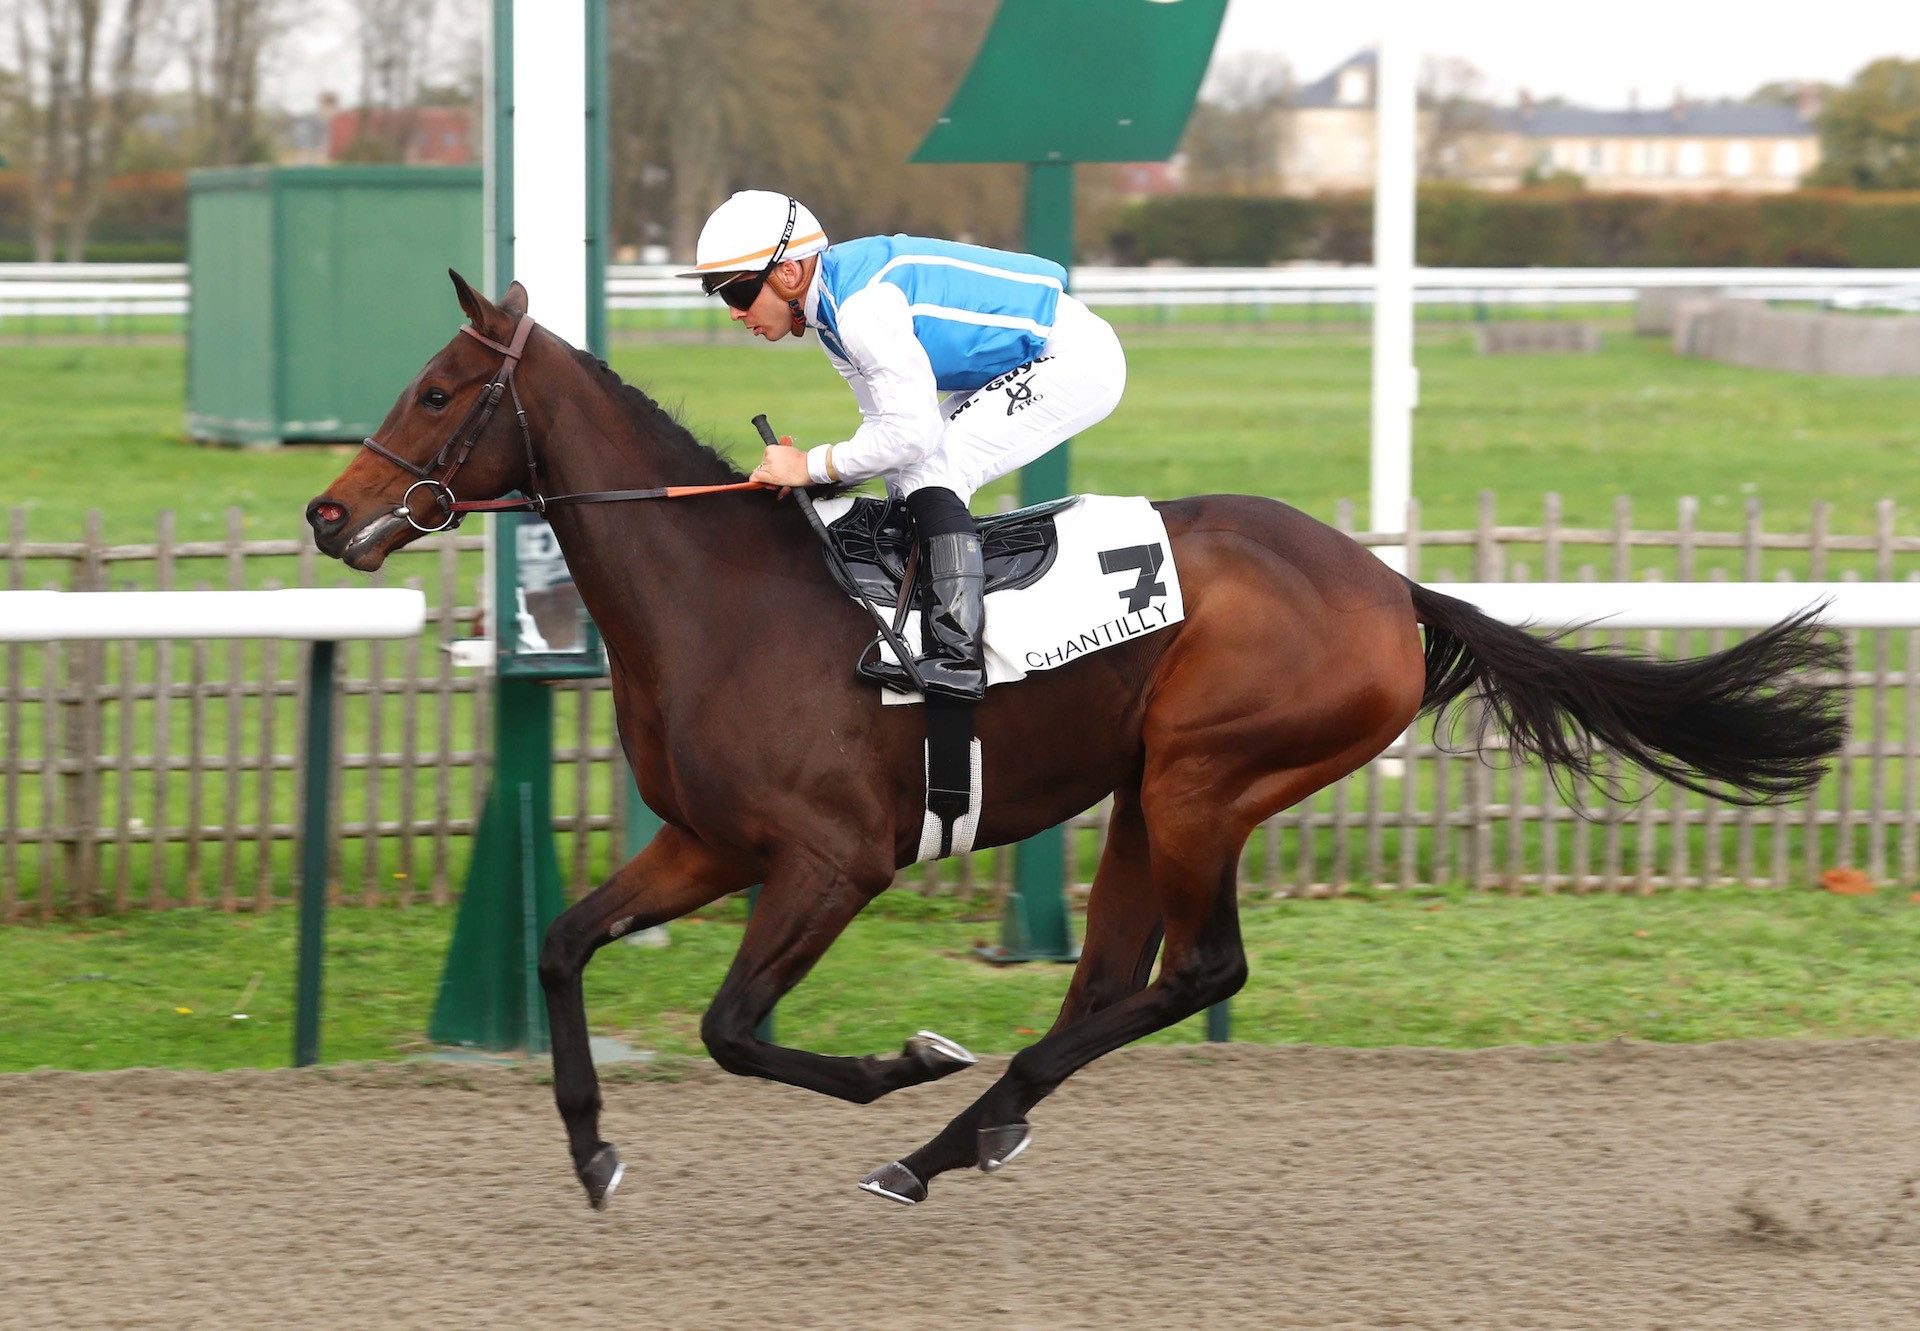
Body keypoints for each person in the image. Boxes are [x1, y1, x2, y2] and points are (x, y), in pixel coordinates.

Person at [679, 190, 1127, 702]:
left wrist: (810, 466)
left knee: (934, 470)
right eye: (721, 297)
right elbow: (883, 425)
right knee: (906, 475)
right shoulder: (831, 314)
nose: (734, 314)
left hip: (1074, 360)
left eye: (738, 293)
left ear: (788, 273)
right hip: (1026, 357)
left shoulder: (860, 311)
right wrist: (811, 473)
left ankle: (957, 659)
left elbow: (911, 435)